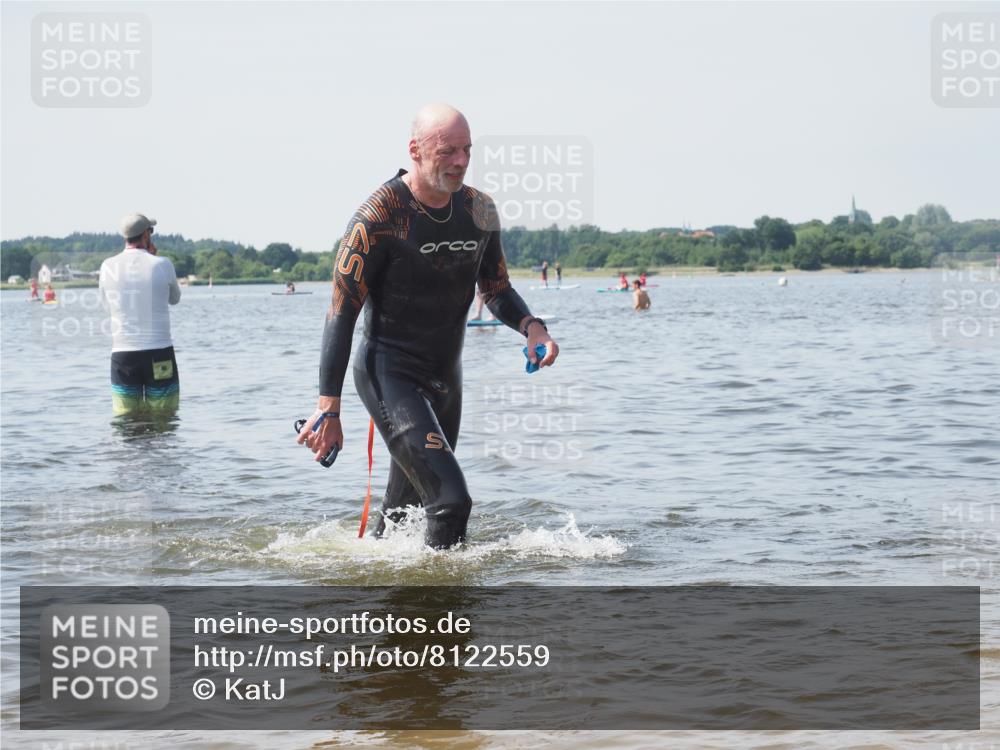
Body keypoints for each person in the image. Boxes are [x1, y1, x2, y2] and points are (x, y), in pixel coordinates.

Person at [297, 103, 559, 550]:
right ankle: (445, 611)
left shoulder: (479, 210)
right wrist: (330, 408)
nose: (460, 161)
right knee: (451, 502)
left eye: (467, 151)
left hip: (446, 380)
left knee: (405, 516)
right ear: (415, 151)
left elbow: (495, 288)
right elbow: (341, 312)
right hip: (389, 375)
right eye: (448, 152)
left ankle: (382, 590)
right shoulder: (377, 218)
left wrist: (532, 327)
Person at [99, 213, 182, 415]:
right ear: (146, 235)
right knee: (164, 417)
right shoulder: (162, 264)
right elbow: (174, 298)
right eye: (150, 231)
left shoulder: (107, 266)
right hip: (159, 352)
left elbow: (106, 307)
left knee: (125, 418)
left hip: (123, 355)